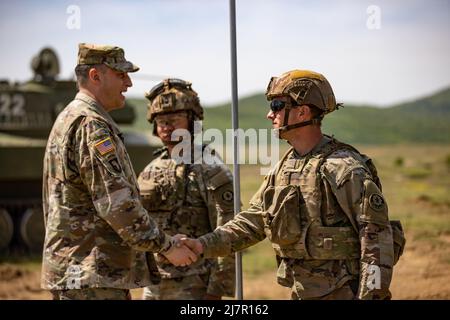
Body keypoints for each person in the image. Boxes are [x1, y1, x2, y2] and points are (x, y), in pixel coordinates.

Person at [181, 69, 403, 300]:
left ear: (302, 112)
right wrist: (201, 245)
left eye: (277, 105)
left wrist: (372, 296)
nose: (269, 114)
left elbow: (376, 238)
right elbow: (253, 221)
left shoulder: (343, 167)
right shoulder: (283, 168)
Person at [41, 43, 197, 300]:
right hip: (92, 275)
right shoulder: (92, 125)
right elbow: (117, 205)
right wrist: (167, 246)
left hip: (80, 272)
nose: (129, 83)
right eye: (121, 74)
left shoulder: (70, 117)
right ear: (95, 76)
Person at [137, 79, 236, 300]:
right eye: (161, 120)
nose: (166, 125)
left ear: (192, 122)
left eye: (174, 119)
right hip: (154, 284)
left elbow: (228, 231)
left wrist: (217, 290)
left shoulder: (209, 168)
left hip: (196, 285)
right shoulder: (150, 170)